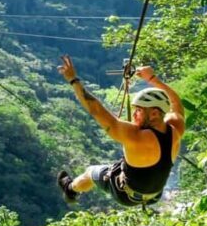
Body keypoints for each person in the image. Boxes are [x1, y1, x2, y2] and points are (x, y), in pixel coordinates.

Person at [55, 55, 185, 207]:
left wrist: (73, 80)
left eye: (139, 110)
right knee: (122, 166)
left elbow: (95, 110)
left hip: (126, 195)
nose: (135, 114)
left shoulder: (135, 135)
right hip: (154, 195)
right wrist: (153, 79)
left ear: (155, 113)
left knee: (91, 172)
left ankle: (70, 190)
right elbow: (176, 102)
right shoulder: (175, 128)